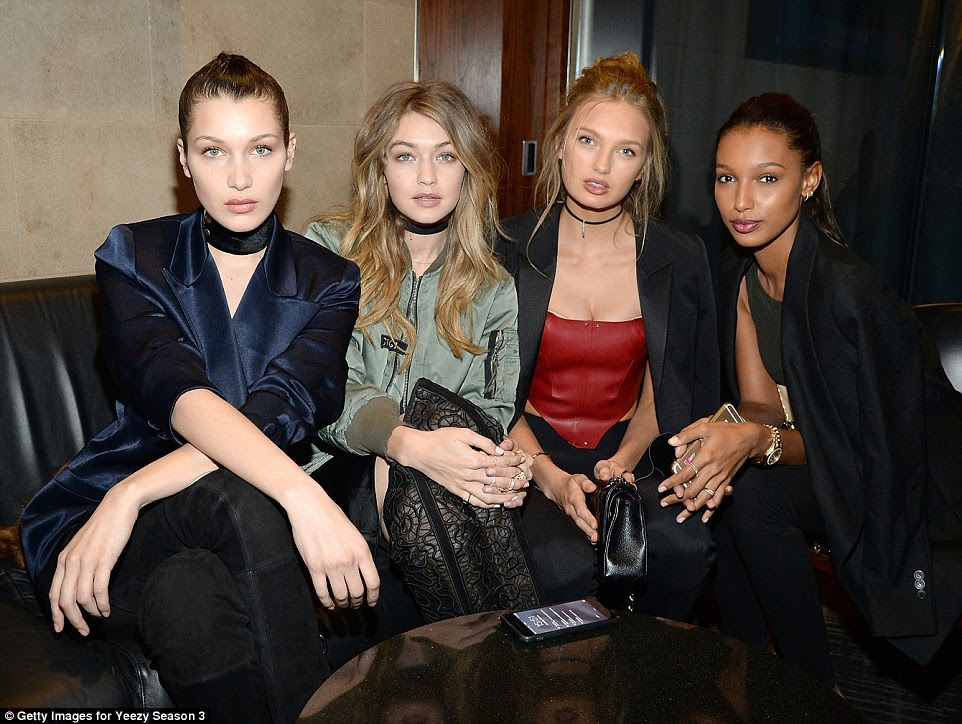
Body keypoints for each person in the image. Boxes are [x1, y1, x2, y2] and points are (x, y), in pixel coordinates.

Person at [19, 53, 376, 722]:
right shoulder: (133, 257)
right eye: (214, 151)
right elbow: (176, 393)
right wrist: (302, 496)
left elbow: (280, 412)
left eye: (260, 149)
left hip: (186, 505)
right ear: (183, 158)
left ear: (290, 153)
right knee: (246, 498)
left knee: (187, 599)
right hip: (112, 519)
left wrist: (134, 492)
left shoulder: (330, 279)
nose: (240, 177)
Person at [662, 92, 962, 684]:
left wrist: (756, 444)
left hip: (914, 478)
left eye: (766, 178)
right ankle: (745, 672)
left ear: (809, 180)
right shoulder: (739, 272)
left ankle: (807, 687)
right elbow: (761, 405)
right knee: (723, 485)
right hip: (840, 459)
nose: (740, 201)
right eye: (726, 178)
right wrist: (724, 434)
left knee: (751, 493)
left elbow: (869, 446)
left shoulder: (847, 291)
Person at [304, 80, 530, 655]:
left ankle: (493, 668)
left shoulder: (493, 287)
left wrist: (496, 468)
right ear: (380, 168)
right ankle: (507, 665)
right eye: (406, 156)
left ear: (468, 171)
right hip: (332, 468)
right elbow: (319, 384)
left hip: (434, 487)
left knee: (441, 502)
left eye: (445, 156)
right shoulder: (328, 249)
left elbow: (489, 411)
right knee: (415, 499)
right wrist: (399, 443)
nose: (427, 177)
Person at [497, 52, 720, 618]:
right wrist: (548, 477)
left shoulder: (680, 257)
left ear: (645, 166)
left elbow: (668, 390)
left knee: (680, 546)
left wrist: (626, 457)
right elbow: (486, 388)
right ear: (560, 145)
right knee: (562, 563)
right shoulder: (505, 246)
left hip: (632, 449)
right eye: (587, 140)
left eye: (626, 151)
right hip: (526, 450)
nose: (601, 165)